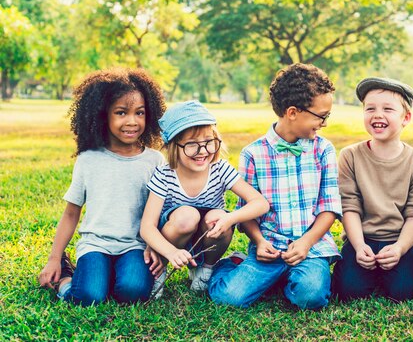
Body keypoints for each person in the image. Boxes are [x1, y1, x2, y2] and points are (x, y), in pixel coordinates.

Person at [208, 63, 342, 310]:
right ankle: (233, 264)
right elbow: (246, 211)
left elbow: (329, 207)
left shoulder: (323, 149)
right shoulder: (253, 154)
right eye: (321, 116)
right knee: (228, 298)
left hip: (310, 248)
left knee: (311, 297)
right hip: (268, 247)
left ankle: (287, 279)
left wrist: (306, 242)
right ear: (292, 112)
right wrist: (258, 241)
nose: (324, 123)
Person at [38, 68, 166, 306]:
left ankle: (112, 275)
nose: (132, 121)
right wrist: (54, 258)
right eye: (121, 112)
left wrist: (155, 246)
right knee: (89, 297)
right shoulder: (89, 159)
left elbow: (159, 212)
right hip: (95, 244)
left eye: (140, 113)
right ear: (102, 115)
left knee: (133, 292)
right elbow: (71, 213)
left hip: (135, 245)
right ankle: (66, 278)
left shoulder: (155, 161)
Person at [140, 100, 269, 297]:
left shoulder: (220, 169)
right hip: (173, 237)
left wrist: (230, 218)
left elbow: (260, 203)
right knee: (187, 216)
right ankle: (160, 270)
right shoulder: (165, 174)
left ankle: (206, 269)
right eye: (192, 145)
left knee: (217, 216)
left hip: (207, 236)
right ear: (173, 146)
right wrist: (169, 252)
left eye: (209, 142)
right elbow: (147, 226)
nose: (203, 152)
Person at [332, 77, 413, 302]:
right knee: (349, 292)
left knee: (405, 293)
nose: (377, 115)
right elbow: (349, 207)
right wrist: (358, 246)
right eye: (370, 109)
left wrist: (399, 248)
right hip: (361, 237)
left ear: (405, 117)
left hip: (401, 239)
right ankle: (364, 270)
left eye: (388, 109)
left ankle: (392, 270)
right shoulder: (350, 156)